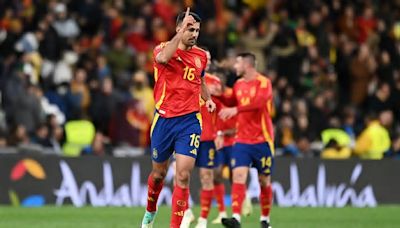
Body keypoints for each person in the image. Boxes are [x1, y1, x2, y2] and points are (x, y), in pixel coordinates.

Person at [141, 8, 216, 228]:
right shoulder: (162, 49)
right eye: (189, 29)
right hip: (164, 120)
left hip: (190, 121)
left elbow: (199, 81)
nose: (194, 34)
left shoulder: (201, 56)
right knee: (158, 175)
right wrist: (179, 33)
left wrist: (208, 99)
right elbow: (163, 58)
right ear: (178, 29)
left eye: (197, 30)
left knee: (183, 176)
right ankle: (150, 212)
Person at [218, 53, 275, 228]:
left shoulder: (264, 82)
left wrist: (236, 110)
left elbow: (258, 104)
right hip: (242, 140)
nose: (235, 66)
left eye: (238, 62)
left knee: (264, 180)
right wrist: (217, 94)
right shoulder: (238, 84)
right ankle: (236, 217)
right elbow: (231, 100)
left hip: (262, 139)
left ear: (248, 65)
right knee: (238, 176)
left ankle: (265, 219)